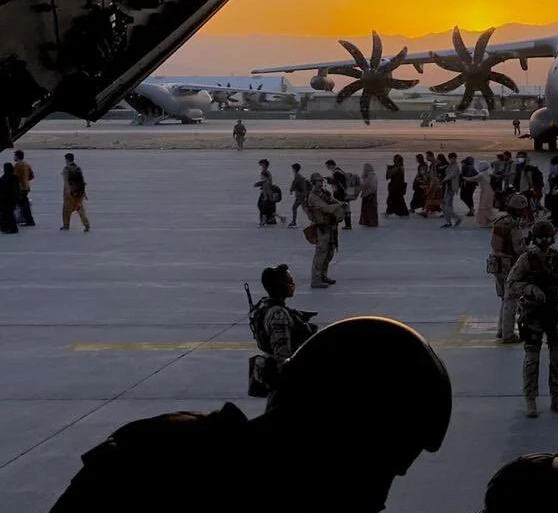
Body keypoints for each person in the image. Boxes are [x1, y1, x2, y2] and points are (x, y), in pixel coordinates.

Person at [49, 317, 451, 513]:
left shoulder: (151, 456)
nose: (378, 498)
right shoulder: (147, 467)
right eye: (381, 468)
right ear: (339, 439)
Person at [509, 219, 558, 417]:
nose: (544, 241)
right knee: (532, 358)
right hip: (533, 314)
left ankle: (557, 397)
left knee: (556, 359)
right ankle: (531, 399)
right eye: (541, 237)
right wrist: (530, 289)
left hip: (556, 314)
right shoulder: (526, 260)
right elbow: (512, 283)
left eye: (547, 237)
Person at [248, 264, 317, 397]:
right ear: (280, 286)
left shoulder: (264, 304)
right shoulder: (278, 316)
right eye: (289, 282)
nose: (292, 284)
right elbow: (282, 355)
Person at [490, 194, 529, 343]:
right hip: (508, 264)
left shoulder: (499, 221)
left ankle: (501, 330)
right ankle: (508, 334)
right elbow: (519, 248)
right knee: (511, 299)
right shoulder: (514, 225)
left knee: (503, 299)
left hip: (495, 263)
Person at [306, 172, 348, 288]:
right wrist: (339, 206)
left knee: (329, 253)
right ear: (313, 182)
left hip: (330, 227)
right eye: (318, 181)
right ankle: (316, 279)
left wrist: (340, 204)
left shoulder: (323, 193)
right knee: (321, 254)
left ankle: (323, 276)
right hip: (322, 228)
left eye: (321, 180)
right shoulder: (313, 196)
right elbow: (326, 208)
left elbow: (332, 201)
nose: (321, 183)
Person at [61, 153, 90, 232]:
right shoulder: (78, 168)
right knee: (80, 208)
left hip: (70, 192)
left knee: (66, 210)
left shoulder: (66, 169)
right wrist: (84, 193)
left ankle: (66, 225)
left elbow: (66, 182)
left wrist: (68, 192)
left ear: (67, 159)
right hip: (79, 191)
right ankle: (86, 224)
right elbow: (82, 181)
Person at [12, 150, 34, 226]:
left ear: (17, 156)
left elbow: (14, 178)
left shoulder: (17, 165)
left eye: (14, 156)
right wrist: (25, 180)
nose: (14, 157)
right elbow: (31, 176)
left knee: (21, 205)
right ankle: (29, 220)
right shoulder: (27, 164)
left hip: (20, 188)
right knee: (25, 204)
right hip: (26, 187)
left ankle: (27, 220)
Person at [359, 163, 379, 227]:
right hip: (369, 194)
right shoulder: (371, 175)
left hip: (369, 195)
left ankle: (371, 222)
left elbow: (368, 185)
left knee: (370, 209)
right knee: (369, 209)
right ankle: (369, 222)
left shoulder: (370, 176)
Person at [0, 163, 18, 234]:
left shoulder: (4, 178)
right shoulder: (14, 177)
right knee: (9, 214)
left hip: (4, 200)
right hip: (11, 199)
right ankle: (9, 228)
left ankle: (9, 228)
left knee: (7, 214)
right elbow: (17, 189)